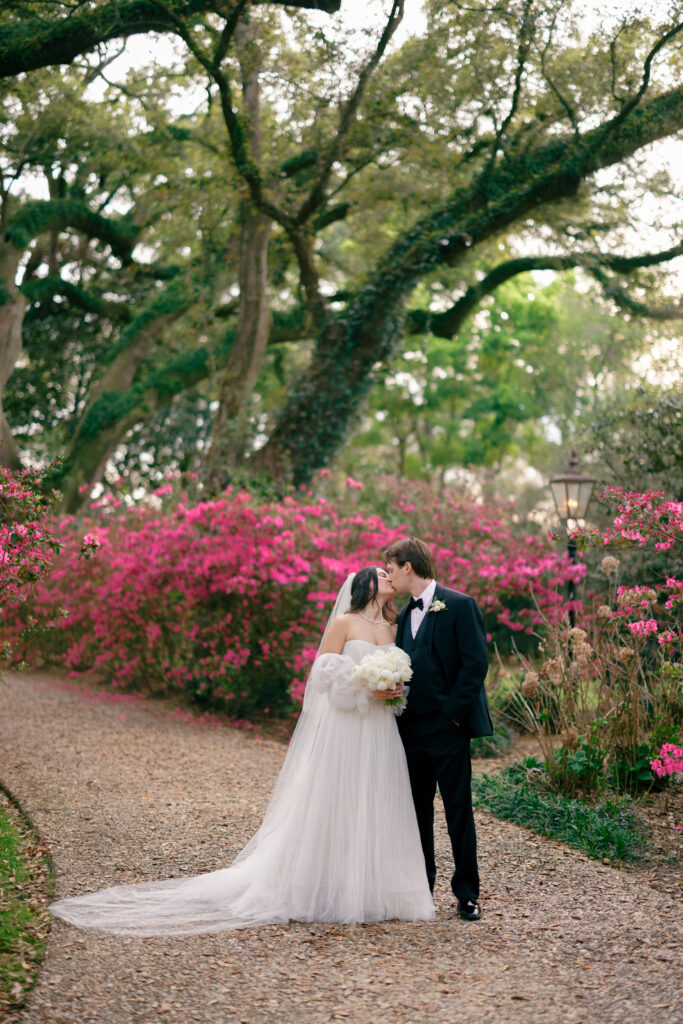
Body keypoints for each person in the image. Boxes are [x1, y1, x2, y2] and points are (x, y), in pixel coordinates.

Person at [50, 567, 434, 935]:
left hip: (380, 730)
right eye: (382, 575)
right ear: (366, 585)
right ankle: (325, 887)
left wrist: (394, 690)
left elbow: (403, 678)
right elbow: (322, 674)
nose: (389, 578)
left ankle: (370, 888)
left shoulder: (393, 627)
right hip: (346, 728)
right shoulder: (345, 623)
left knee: (374, 799)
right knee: (337, 800)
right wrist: (364, 684)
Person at [385, 537, 491, 922]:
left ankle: (467, 894)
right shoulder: (399, 617)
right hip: (410, 730)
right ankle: (421, 889)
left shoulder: (460, 605)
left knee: (458, 811)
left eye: (392, 569)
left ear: (407, 567)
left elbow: (475, 665)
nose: (390, 577)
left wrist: (452, 715)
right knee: (417, 814)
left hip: (449, 730)